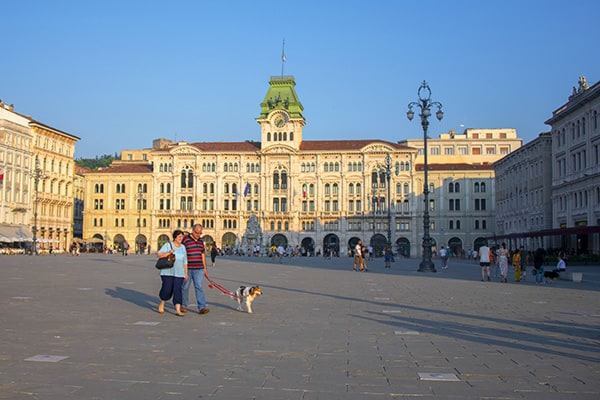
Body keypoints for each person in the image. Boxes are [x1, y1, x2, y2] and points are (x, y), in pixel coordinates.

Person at [157, 230, 188, 316]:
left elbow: (185, 261)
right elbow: (159, 255)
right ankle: (162, 302)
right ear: (175, 238)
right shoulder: (168, 245)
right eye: (179, 237)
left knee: (178, 290)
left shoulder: (183, 247)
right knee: (167, 290)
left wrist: (186, 273)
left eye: (182, 237)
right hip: (167, 272)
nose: (181, 238)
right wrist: (168, 253)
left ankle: (178, 310)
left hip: (179, 273)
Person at [182, 224, 209, 314]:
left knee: (199, 287)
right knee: (185, 287)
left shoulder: (201, 241)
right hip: (187, 268)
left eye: (200, 233)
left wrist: (205, 268)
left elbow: (202, 255)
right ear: (192, 231)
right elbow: (181, 252)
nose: (199, 235)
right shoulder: (185, 239)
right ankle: (183, 305)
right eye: (197, 233)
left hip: (199, 268)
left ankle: (202, 307)